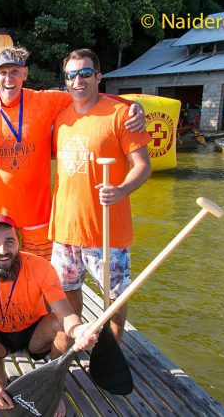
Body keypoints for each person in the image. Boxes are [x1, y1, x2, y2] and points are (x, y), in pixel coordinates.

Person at [0, 46, 146, 260]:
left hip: (38, 213)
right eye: (3, 72)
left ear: (25, 73)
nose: (8, 78)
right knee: (0, 272)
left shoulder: (46, 100)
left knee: (39, 274)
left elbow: (87, 94)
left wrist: (133, 104)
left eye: (14, 71)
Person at [50, 48, 152, 343]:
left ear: (98, 76)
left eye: (85, 73)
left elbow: (143, 167)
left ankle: (114, 346)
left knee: (116, 298)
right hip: (65, 229)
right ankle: (76, 340)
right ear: (66, 80)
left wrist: (120, 190)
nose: (78, 80)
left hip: (107, 229)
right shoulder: (61, 117)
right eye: (72, 75)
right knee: (68, 291)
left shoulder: (121, 114)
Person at [0, 215, 97, 417]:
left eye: (9, 241)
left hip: (34, 331)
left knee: (62, 327)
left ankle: (53, 386)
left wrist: (79, 330)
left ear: (19, 243)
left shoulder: (41, 267)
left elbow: (66, 314)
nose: (3, 250)